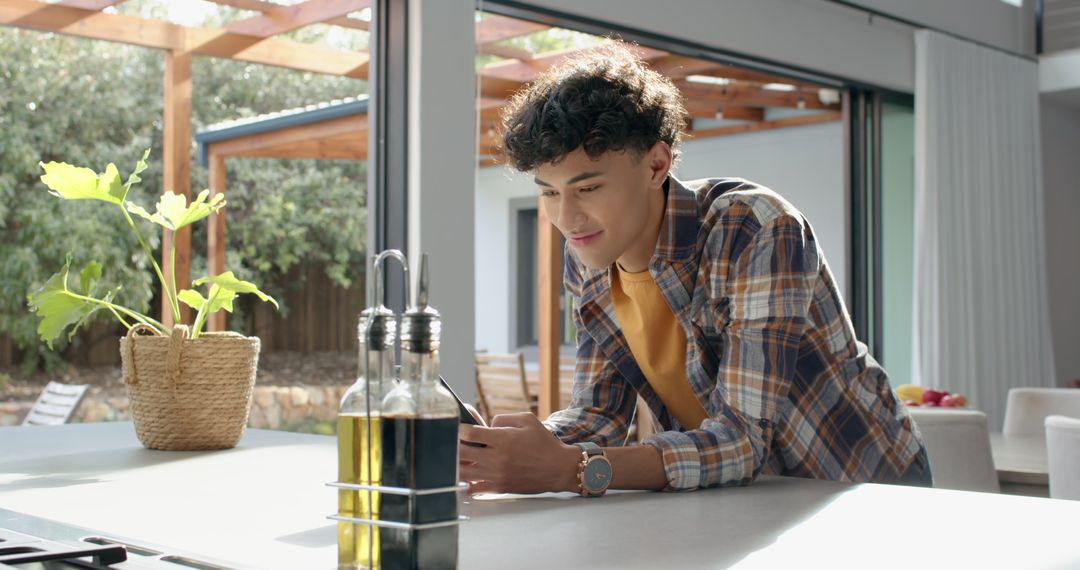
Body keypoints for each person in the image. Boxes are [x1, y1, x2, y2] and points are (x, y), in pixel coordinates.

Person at [459, 43, 930, 495]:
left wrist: (573, 469)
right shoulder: (589, 258)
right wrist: (512, 448)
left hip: (866, 488)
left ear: (656, 165)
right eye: (549, 192)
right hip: (754, 498)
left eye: (588, 188)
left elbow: (742, 439)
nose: (566, 219)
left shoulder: (754, 228)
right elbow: (599, 416)